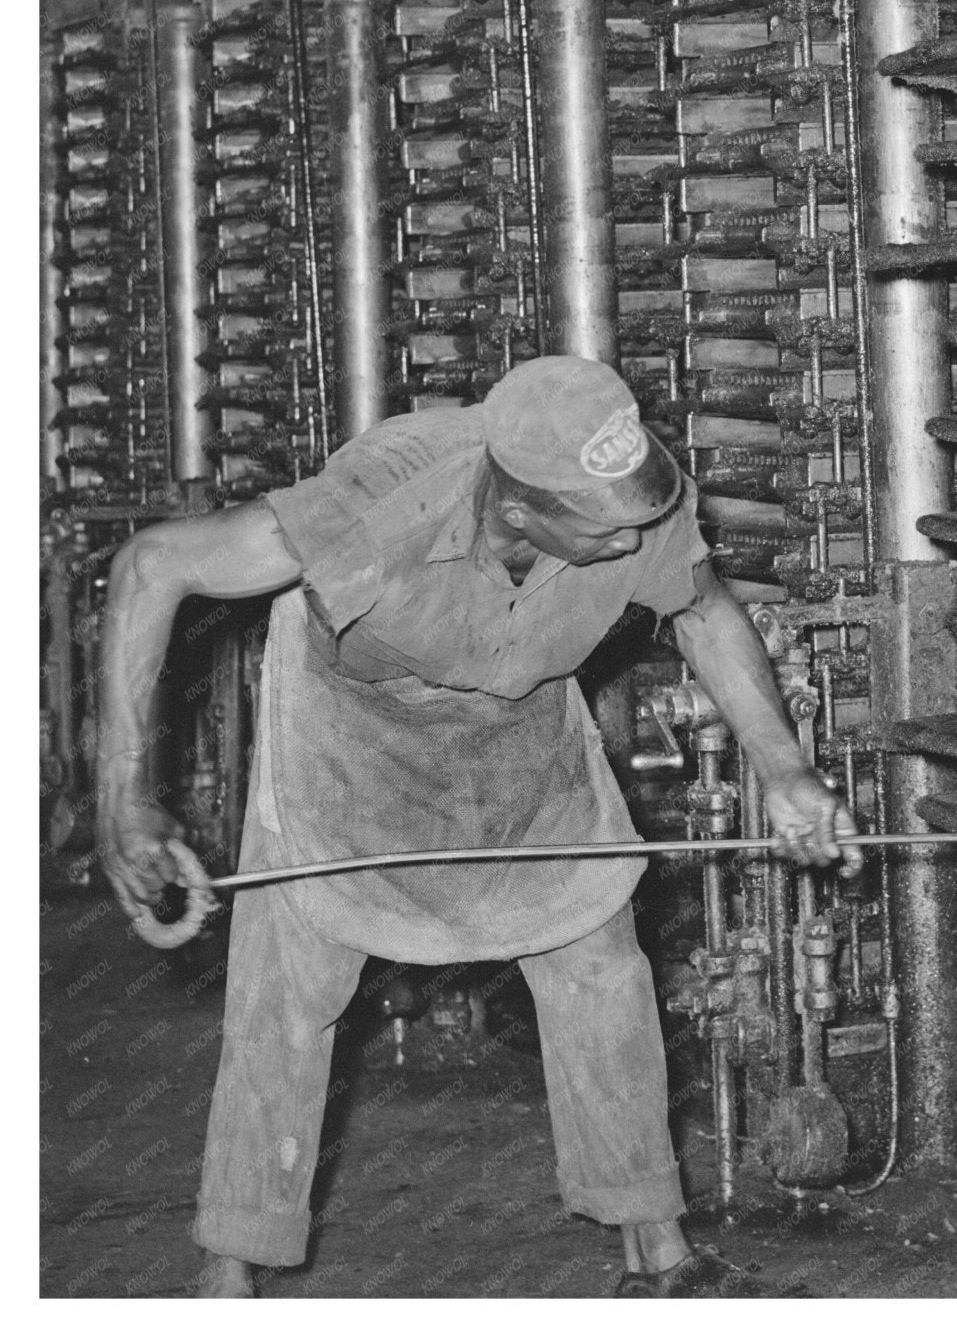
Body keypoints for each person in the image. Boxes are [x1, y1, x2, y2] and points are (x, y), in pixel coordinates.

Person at [94, 355, 856, 1299]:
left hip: (522, 719)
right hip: (353, 726)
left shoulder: (633, 505)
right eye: (608, 532)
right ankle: (230, 1273)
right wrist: (123, 795)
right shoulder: (382, 497)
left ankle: (660, 1257)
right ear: (519, 512)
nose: (637, 545)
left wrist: (784, 771)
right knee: (289, 975)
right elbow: (152, 564)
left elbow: (702, 612)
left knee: (599, 960)